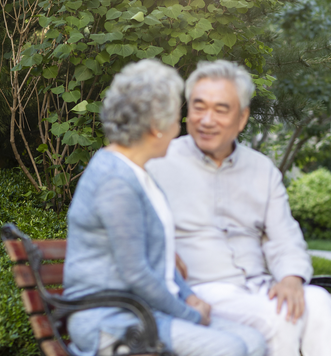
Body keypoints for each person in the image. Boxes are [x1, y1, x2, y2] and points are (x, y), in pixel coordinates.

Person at [146, 60, 331, 356]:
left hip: (258, 286)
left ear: (242, 119)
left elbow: (285, 237)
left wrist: (291, 279)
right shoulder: (159, 164)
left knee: (318, 302)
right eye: (199, 107)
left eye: (220, 110)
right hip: (200, 290)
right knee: (281, 319)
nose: (206, 119)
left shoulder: (261, 169)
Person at [63, 59, 266, 356]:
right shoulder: (114, 181)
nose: (179, 127)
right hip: (111, 320)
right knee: (230, 348)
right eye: (175, 118)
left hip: (145, 312)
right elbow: (136, 273)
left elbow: (161, 263)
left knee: (254, 341)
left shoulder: (140, 174)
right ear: (156, 127)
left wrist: (191, 297)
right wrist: (192, 314)